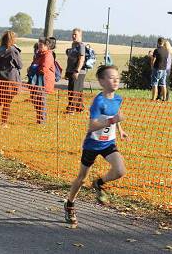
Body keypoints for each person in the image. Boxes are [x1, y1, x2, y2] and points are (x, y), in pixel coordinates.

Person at [64, 65, 128, 225]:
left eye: (117, 77)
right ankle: (70, 203)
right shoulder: (98, 102)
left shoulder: (118, 98)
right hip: (92, 145)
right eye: (111, 77)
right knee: (81, 178)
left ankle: (99, 183)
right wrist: (114, 121)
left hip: (108, 143)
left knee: (120, 170)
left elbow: (115, 115)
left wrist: (120, 130)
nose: (115, 80)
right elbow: (92, 126)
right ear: (101, 81)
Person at [0, 30, 22, 128]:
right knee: (7, 102)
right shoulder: (13, 50)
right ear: (12, 39)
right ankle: (4, 123)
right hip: (11, 79)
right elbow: (20, 65)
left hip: (0, 78)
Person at [29, 37, 55, 124]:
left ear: (46, 46)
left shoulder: (48, 55)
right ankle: (39, 119)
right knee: (35, 99)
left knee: (41, 101)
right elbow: (34, 64)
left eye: (41, 44)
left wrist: (34, 68)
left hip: (44, 81)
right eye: (39, 44)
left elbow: (43, 69)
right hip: (37, 81)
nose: (39, 45)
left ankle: (42, 121)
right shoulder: (39, 54)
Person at [65, 28, 86, 114]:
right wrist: (67, 71)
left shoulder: (81, 46)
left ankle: (71, 110)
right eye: (73, 34)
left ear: (80, 36)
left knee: (74, 91)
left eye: (75, 35)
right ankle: (79, 108)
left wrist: (77, 71)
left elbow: (81, 59)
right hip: (71, 71)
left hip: (78, 72)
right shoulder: (73, 45)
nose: (73, 36)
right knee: (77, 90)